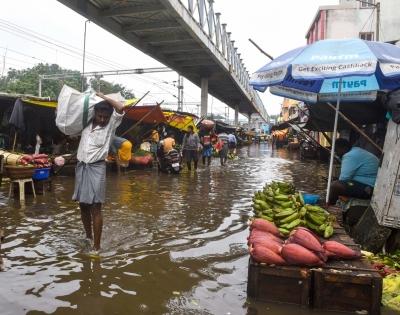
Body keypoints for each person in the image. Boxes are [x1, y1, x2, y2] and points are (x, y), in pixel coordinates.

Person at [72, 92, 124, 256]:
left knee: (96, 207)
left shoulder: (110, 125)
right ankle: (88, 237)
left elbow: (120, 108)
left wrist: (103, 96)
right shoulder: (86, 124)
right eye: (100, 116)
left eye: (105, 117)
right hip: (81, 166)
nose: (102, 119)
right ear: (95, 113)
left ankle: (96, 247)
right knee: (83, 205)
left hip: (97, 167)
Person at [328, 138, 379, 205]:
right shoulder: (355, 151)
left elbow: (343, 179)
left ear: (344, 148)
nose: (336, 153)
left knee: (335, 186)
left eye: (336, 150)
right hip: (370, 185)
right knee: (336, 182)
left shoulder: (349, 156)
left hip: (369, 188)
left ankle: (330, 205)